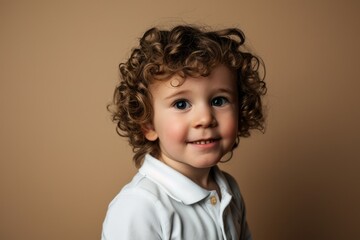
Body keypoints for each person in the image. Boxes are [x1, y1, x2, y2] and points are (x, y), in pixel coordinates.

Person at [101, 24, 267, 240]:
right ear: (148, 124)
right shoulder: (139, 207)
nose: (205, 118)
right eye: (181, 104)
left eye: (219, 101)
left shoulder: (229, 189)